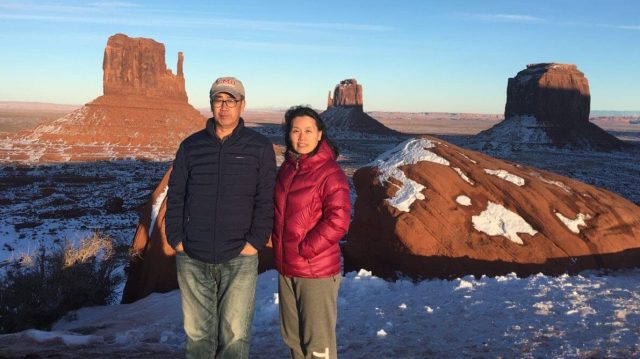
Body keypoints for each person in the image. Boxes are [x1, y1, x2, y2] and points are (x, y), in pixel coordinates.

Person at [165, 76, 276, 358]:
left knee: (235, 338)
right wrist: (176, 239)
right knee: (197, 338)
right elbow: (176, 194)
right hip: (193, 255)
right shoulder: (191, 146)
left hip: (240, 257)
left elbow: (266, 198)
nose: (224, 106)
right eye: (219, 100)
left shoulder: (259, 147)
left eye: (231, 100)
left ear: (242, 105)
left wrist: (254, 242)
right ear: (211, 104)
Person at [271, 105, 351, 359]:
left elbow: (339, 220)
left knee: (318, 344)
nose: (301, 137)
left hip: (314, 270)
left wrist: (307, 249)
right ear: (288, 135)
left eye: (308, 130)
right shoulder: (287, 169)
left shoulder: (330, 173)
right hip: (287, 268)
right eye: (296, 131)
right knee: (293, 339)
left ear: (320, 135)